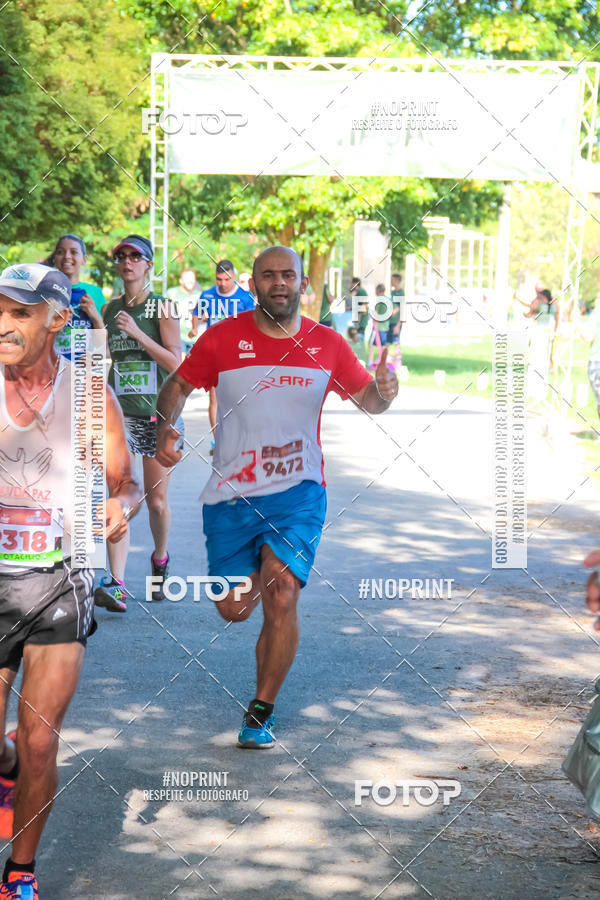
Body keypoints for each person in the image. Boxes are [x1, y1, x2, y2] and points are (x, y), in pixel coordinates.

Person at [155, 245, 398, 749]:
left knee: (281, 593)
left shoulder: (326, 344)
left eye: (288, 274)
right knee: (234, 608)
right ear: (254, 282)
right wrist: (165, 429)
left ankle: (261, 709)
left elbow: (368, 401)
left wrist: (385, 391)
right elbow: (178, 383)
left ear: (301, 284)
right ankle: (252, 621)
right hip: (232, 493)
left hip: (299, 491)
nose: (280, 283)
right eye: (269, 275)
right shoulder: (222, 339)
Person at [0, 262, 141, 898]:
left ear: (58, 320)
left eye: (20, 313)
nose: (4, 324)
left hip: (61, 576)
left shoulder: (87, 393)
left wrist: (121, 504)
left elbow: (125, 480)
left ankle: (20, 873)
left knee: (37, 738)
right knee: (7, 750)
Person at [94, 235, 183, 611]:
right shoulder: (110, 308)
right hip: (120, 416)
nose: (127, 261)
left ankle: (159, 560)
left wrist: (136, 333)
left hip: (156, 416)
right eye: (121, 256)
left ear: (148, 264)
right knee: (118, 493)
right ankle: (116, 583)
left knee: (156, 501)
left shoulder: (163, 306)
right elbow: (104, 356)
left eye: (135, 256)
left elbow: (177, 363)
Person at [189, 260, 254, 449]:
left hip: (239, 356)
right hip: (215, 355)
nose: (223, 283)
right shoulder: (208, 295)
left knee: (239, 397)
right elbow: (197, 312)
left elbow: (254, 323)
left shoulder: (245, 298)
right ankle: (218, 439)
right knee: (215, 398)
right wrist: (194, 328)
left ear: (233, 277)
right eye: (219, 279)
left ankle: (240, 436)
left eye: (227, 279)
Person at [47, 234, 105, 360]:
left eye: (73, 252)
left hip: (85, 369)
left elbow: (103, 346)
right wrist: (56, 321)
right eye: (61, 252)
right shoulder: (45, 292)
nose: (67, 256)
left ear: (84, 259)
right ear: (55, 258)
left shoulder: (94, 292)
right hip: (53, 369)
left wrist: (95, 315)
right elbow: (36, 338)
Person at [167, 268, 202, 356]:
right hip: (177, 336)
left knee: (193, 366)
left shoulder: (200, 295)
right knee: (180, 365)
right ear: (181, 281)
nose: (190, 281)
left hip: (195, 338)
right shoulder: (172, 293)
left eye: (192, 279)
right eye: (187, 279)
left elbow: (205, 315)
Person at [388, 272, 405, 352]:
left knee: (396, 341)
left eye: (392, 280)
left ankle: (398, 361)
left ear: (397, 281)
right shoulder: (393, 292)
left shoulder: (401, 293)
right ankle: (385, 360)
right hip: (390, 321)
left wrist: (398, 325)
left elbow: (402, 309)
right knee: (387, 342)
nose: (391, 281)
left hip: (396, 322)